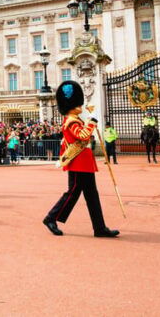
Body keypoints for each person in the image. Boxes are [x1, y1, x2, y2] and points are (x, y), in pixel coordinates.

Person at [43, 80, 119, 238]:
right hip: (78, 162)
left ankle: (99, 227)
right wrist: (92, 121)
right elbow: (83, 135)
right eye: (78, 104)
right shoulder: (71, 121)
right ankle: (51, 217)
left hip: (83, 162)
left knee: (92, 195)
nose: (81, 106)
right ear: (72, 105)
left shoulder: (75, 119)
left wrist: (90, 123)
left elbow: (83, 138)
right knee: (72, 193)